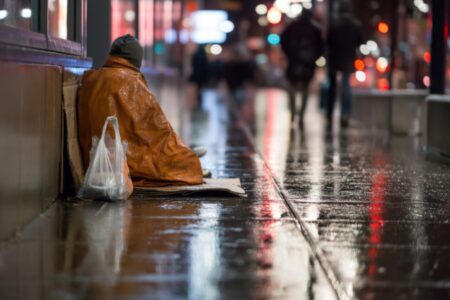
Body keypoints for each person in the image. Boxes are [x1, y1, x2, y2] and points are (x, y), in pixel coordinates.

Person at [78, 34, 203, 187]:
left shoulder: (91, 77)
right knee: (189, 164)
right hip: (121, 160)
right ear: (136, 59)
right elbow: (156, 128)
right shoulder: (131, 81)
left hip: (92, 159)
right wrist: (179, 149)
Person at [281, 9, 323, 126]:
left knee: (292, 88)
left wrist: (289, 55)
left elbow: (283, 41)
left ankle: (293, 112)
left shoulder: (292, 27)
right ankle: (301, 114)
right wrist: (314, 59)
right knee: (305, 89)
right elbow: (321, 47)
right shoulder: (315, 30)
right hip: (308, 65)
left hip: (293, 62)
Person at [326, 1, 363, 128]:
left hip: (334, 59)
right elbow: (359, 42)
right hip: (347, 59)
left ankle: (329, 113)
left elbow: (328, 42)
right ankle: (345, 114)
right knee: (346, 86)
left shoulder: (334, 23)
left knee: (332, 86)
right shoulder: (355, 25)